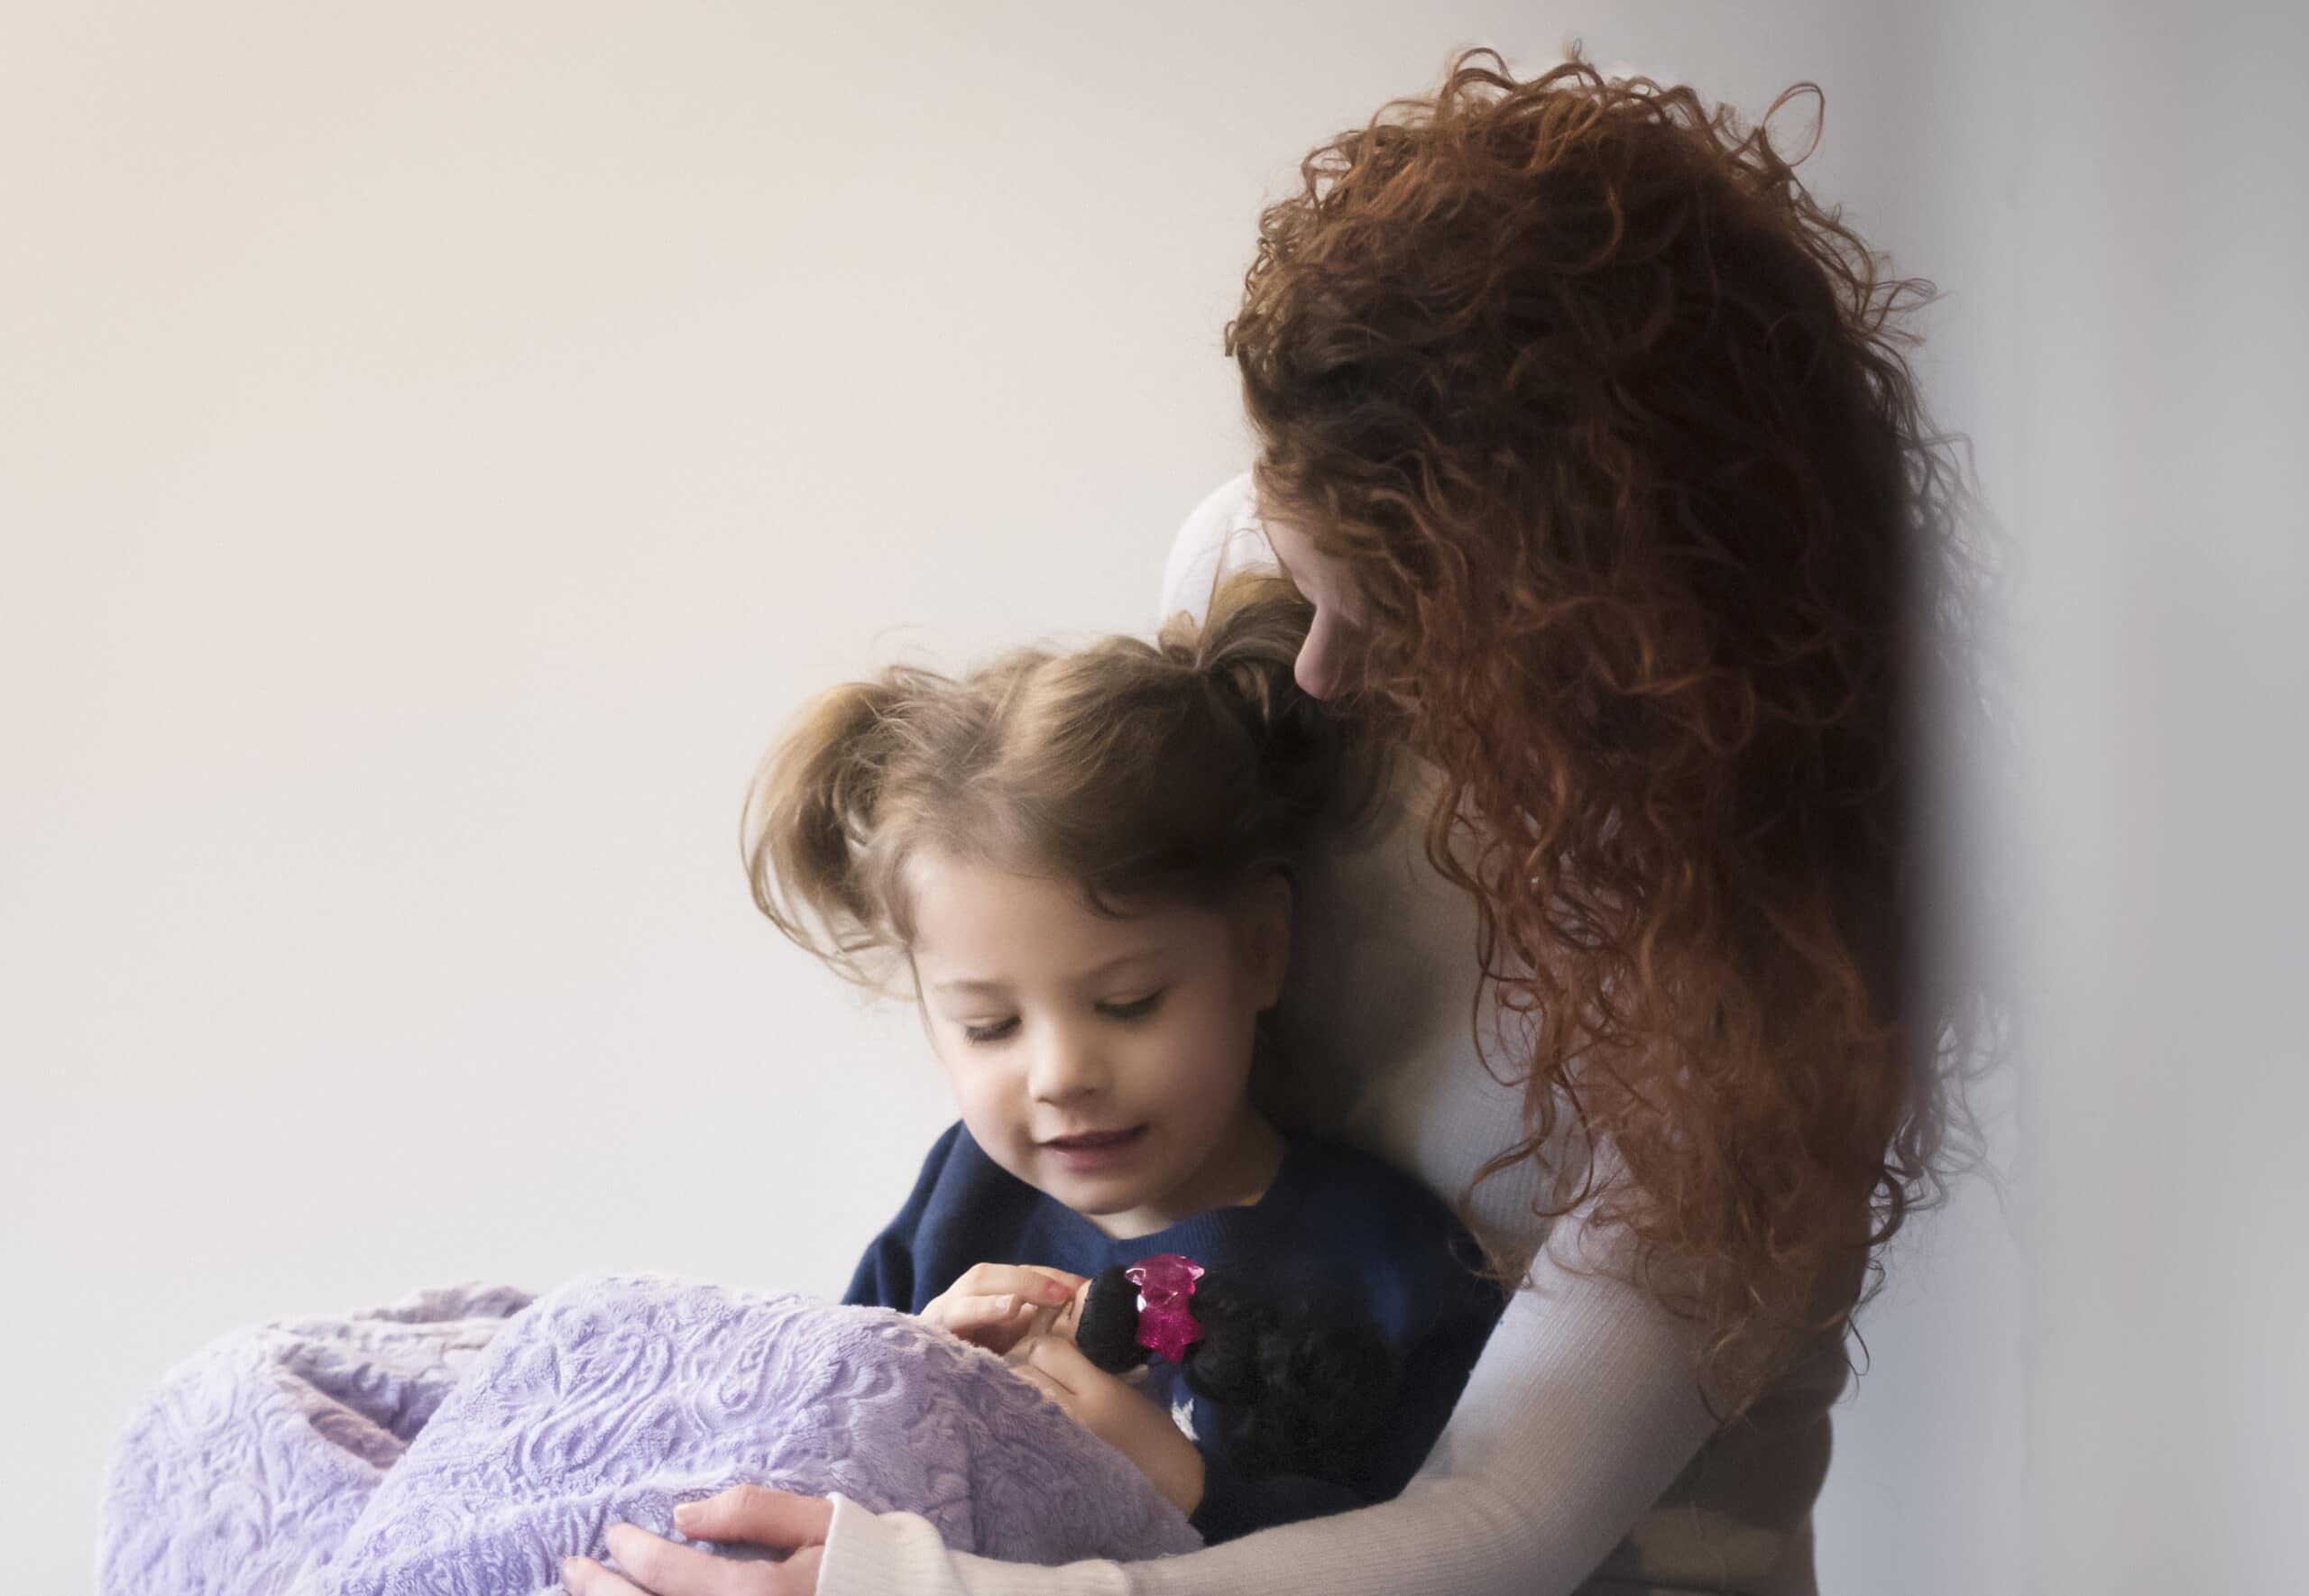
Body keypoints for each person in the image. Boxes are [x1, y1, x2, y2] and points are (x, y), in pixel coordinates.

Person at [566, 47, 1982, 1596]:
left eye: (1400, 620)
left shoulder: (1761, 963)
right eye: (1309, 583)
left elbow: (1502, 1527)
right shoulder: (1252, 573)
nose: (1318, 671)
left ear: (1594, 622)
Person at [557, 573, 1503, 1590]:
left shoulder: (1389, 1262)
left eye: (1129, 1003)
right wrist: (909, 1363)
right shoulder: (968, 1189)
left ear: (1260, 952)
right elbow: (805, 1432)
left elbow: (1437, 1557)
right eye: (990, 1025)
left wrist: (1190, 1487)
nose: (1060, 1076)